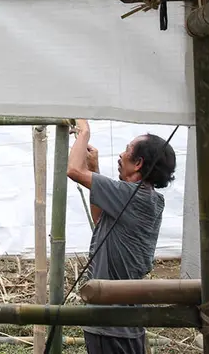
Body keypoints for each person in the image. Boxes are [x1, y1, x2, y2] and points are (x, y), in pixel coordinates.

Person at [65, 118, 176, 354]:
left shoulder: (133, 197)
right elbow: (100, 220)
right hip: (124, 323)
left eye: (127, 150)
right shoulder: (150, 199)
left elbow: (73, 170)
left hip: (110, 324)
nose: (121, 155)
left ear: (138, 163)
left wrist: (84, 130)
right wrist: (94, 170)